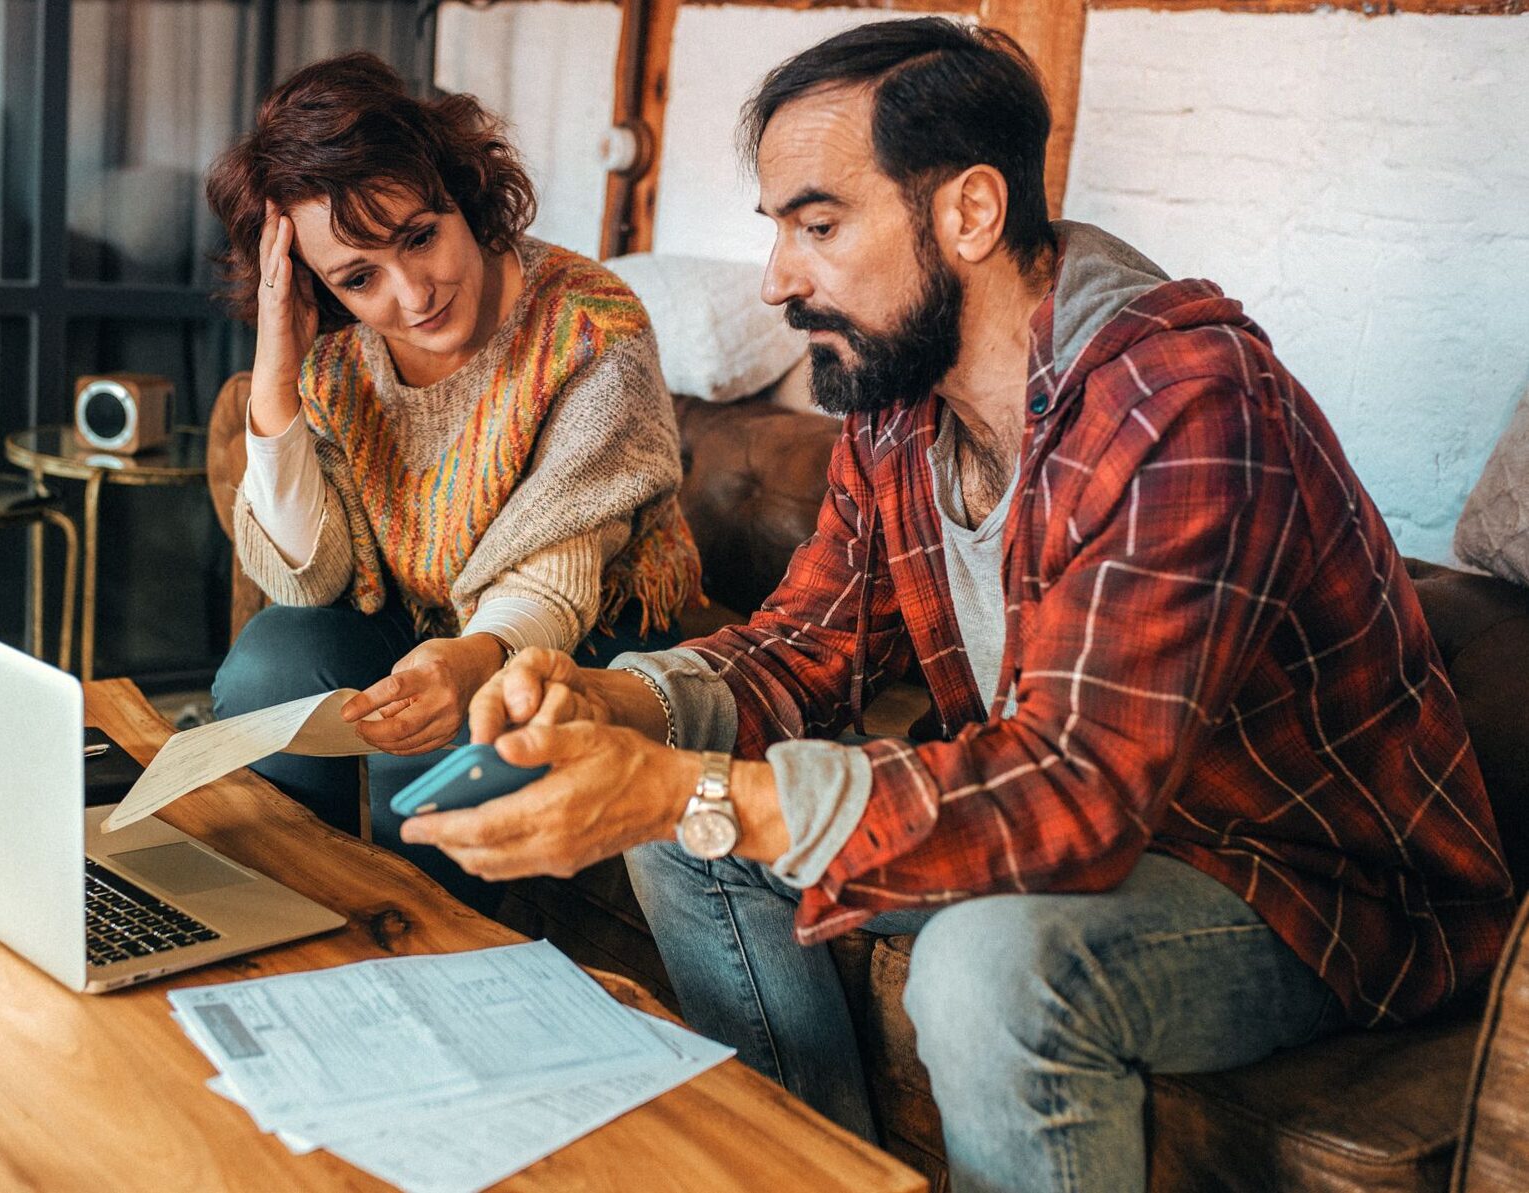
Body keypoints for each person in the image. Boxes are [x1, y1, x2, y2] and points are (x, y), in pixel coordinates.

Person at [399, 18, 1516, 1191]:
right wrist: (614, 702)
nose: (779, 277)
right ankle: (823, 1167)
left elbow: (1077, 788)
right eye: (778, 232)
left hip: (1305, 886)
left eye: (817, 225)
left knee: (989, 962)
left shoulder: (1181, 401)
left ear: (968, 214)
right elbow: (798, 647)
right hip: (1103, 835)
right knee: (684, 820)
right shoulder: (897, 404)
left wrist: (690, 780)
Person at [203, 53, 700, 913]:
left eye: (419, 236)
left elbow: (557, 571)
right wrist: (276, 373)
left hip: (583, 629)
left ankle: (430, 956)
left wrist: (473, 660)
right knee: (267, 665)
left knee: (429, 745)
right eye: (358, 278)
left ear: (461, 192)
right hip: (418, 616)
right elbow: (306, 579)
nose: (413, 293)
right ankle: (282, 918)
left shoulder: (589, 327)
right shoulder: (331, 355)